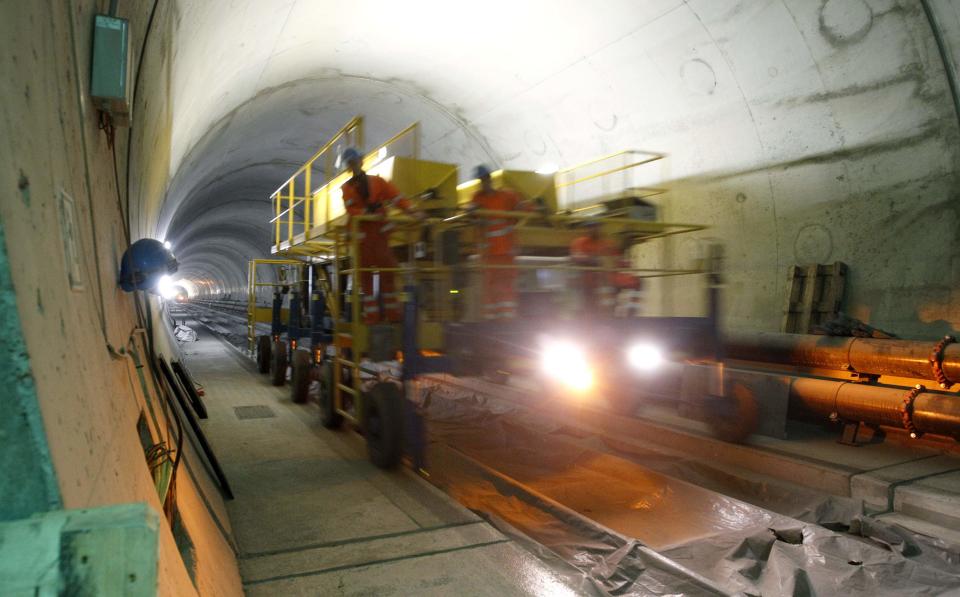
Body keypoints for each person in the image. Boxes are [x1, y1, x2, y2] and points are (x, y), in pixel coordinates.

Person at [339, 147, 421, 324]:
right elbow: (351, 209)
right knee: (366, 282)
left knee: (388, 278)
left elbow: (397, 198)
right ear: (348, 166)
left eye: (355, 161)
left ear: (361, 161)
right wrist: (367, 211)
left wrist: (413, 212)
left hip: (380, 237)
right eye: (350, 163)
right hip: (364, 241)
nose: (354, 165)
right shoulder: (346, 188)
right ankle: (372, 318)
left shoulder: (378, 182)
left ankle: (393, 317)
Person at [467, 165, 534, 320]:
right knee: (490, 290)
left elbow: (523, 208)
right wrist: (470, 211)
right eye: (480, 180)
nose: (483, 182)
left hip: (506, 252)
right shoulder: (477, 198)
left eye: (484, 179)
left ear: (490, 178)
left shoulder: (507, 196)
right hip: (489, 254)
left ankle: (506, 319)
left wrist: (535, 206)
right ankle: (491, 321)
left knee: (506, 288)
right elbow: (471, 214)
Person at [569, 220, 617, 316]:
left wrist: (594, 259)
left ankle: (620, 318)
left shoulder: (607, 243)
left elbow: (613, 261)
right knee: (588, 309)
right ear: (587, 229)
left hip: (605, 282)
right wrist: (597, 260)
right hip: (586, 283)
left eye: (597, 227)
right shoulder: (580, 242)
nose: (595, 229)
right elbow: (577, 257)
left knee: (606, 308)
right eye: (591, 227)